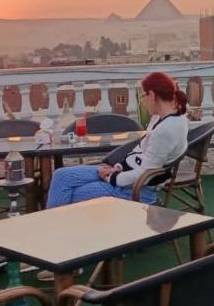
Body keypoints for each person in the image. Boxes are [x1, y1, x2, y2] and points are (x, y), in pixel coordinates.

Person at [46, 72, 189, 208]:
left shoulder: (166, 130)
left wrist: (111, 177)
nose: (143, 102)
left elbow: (145, 175)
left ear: (152, 95)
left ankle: (54, 229)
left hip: (135, 190)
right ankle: (58, 226)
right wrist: (117, 167)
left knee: (71, 193)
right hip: (124, 176)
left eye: (143, 96)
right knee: (60, 175)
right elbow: (139, 151)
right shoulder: (159, 118)